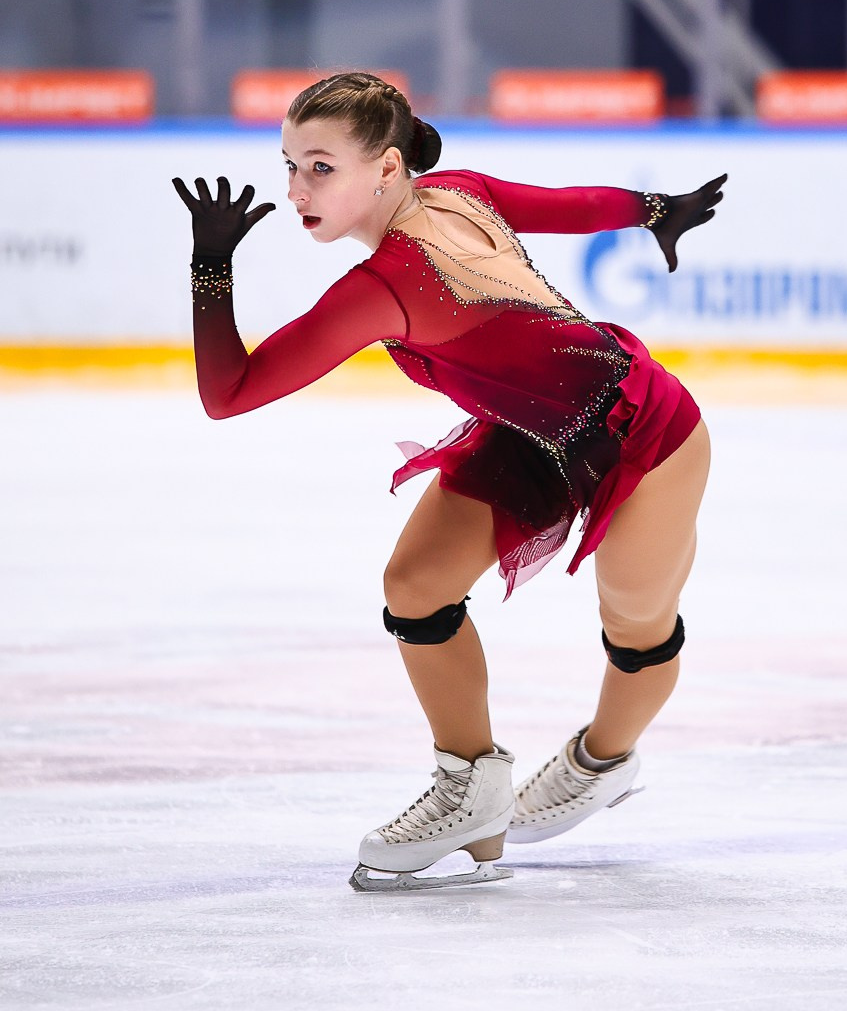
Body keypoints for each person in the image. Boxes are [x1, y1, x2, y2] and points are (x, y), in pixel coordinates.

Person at [173, 71, 724, 892]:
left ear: (388, 169)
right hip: (532, 435)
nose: (295, 189)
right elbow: (574, 207)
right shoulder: (453, 196)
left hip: (639, 433)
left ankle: (603, 759)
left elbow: (230, 394)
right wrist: (651, 210)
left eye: (320, 168)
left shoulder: (389, 283)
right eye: (289, 164)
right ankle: (471, 784)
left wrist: (210, 268)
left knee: (636, 622)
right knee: (416, 585)